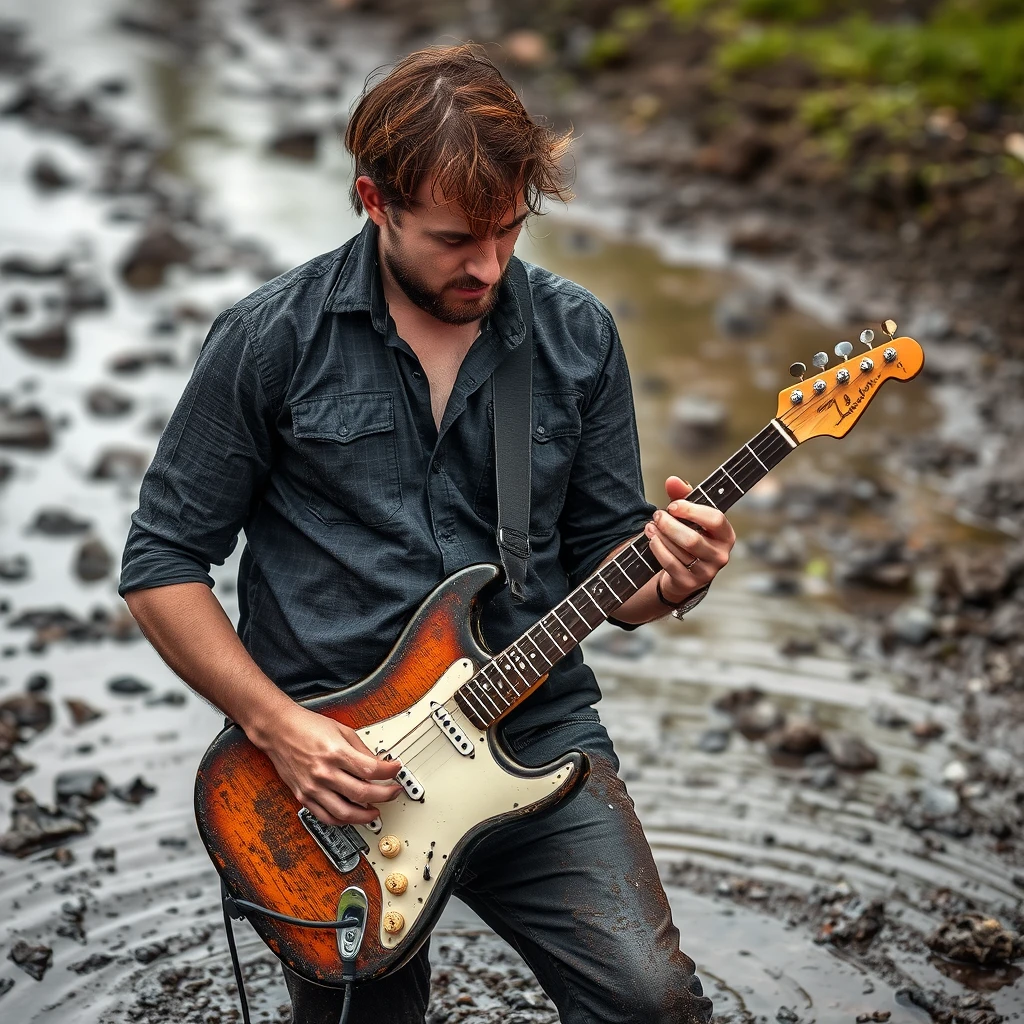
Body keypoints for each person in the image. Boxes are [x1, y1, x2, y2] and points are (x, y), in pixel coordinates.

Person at [120, 44, 734, 1024]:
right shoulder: (270, 340)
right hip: (333, 777)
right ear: (374, 198)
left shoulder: (576, 337)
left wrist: (680, 574)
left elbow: (615, 573)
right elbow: (159, 564)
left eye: (507, 230)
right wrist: (281, 731)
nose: (486, 265)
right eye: (455, 238)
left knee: (653, 1004)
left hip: (534, 729)